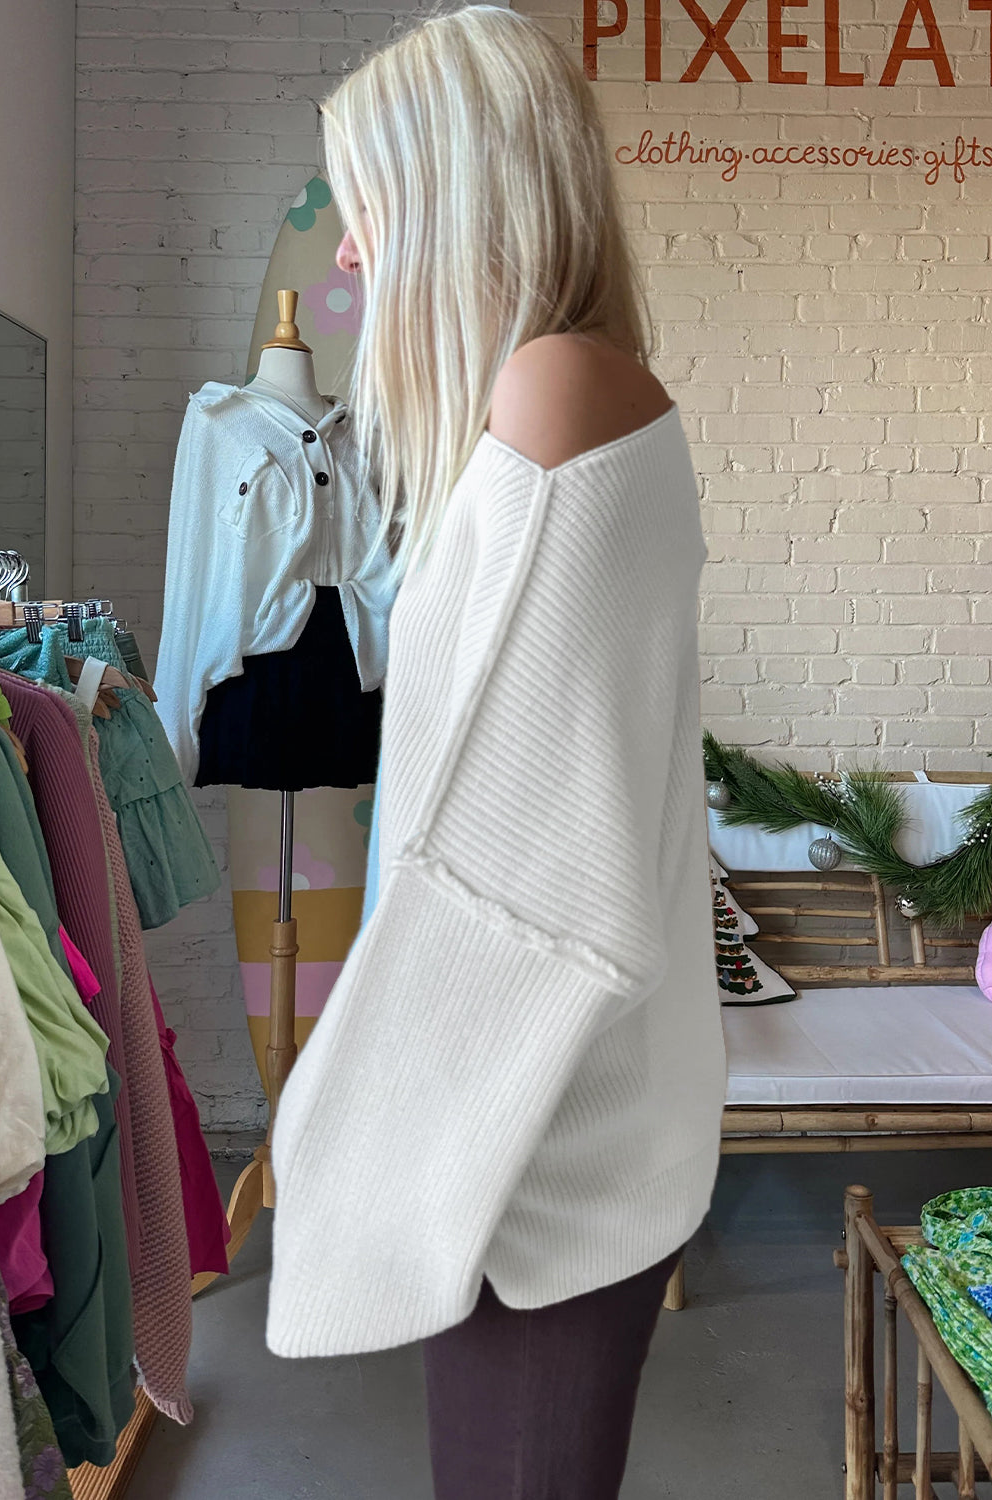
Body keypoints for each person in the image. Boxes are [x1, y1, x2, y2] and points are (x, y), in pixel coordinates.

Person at [266, 8, 727, 1497]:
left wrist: (337, 1134)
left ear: (458, 192)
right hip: (546, 1141)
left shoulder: (556, 392)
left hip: (538, 1157)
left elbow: (518, 862)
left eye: (366, 202)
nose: (348, 251)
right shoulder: (567, 394)